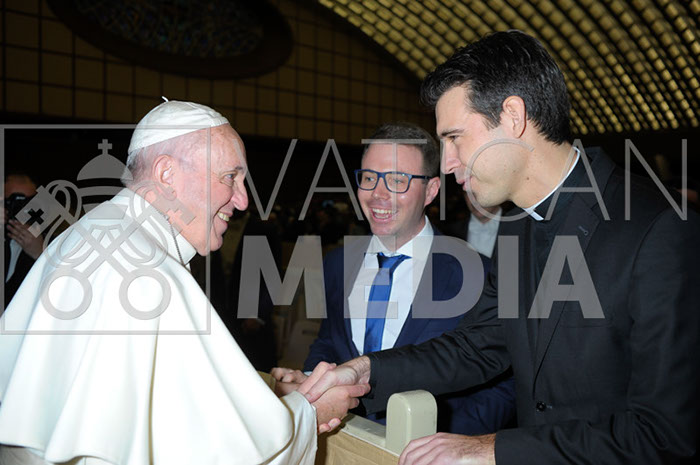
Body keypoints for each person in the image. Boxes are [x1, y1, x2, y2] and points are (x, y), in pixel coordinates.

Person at [299, 30, 700, 465]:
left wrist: (491, 447)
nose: (447, 163)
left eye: (455, 138)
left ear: (512, 116)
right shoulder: (517, 229)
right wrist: (364, 370)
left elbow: (664, 434)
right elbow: (476, 347)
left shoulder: (660, 228)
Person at [0, 100, 367, 465]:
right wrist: (309, 412)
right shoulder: (148, 271)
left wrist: (271, 394)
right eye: (230, 177)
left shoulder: (93, 234)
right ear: (166, 175)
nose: (242, 200)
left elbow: (165, 409)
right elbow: (215, 453)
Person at [275, 122, 515, 434]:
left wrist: (443, 441)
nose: (378, 194)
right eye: (369, 178)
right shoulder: (338, 263)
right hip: (343, 438)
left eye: (397, 180)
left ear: (431, 191)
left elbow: (502, 384)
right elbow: (329, 342)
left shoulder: (477, 274)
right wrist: (311, 381)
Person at [4, 173, 44, 307]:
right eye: (14, 201)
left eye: (28, 203)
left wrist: (40, 255)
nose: (21, 210)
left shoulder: (51, 243)